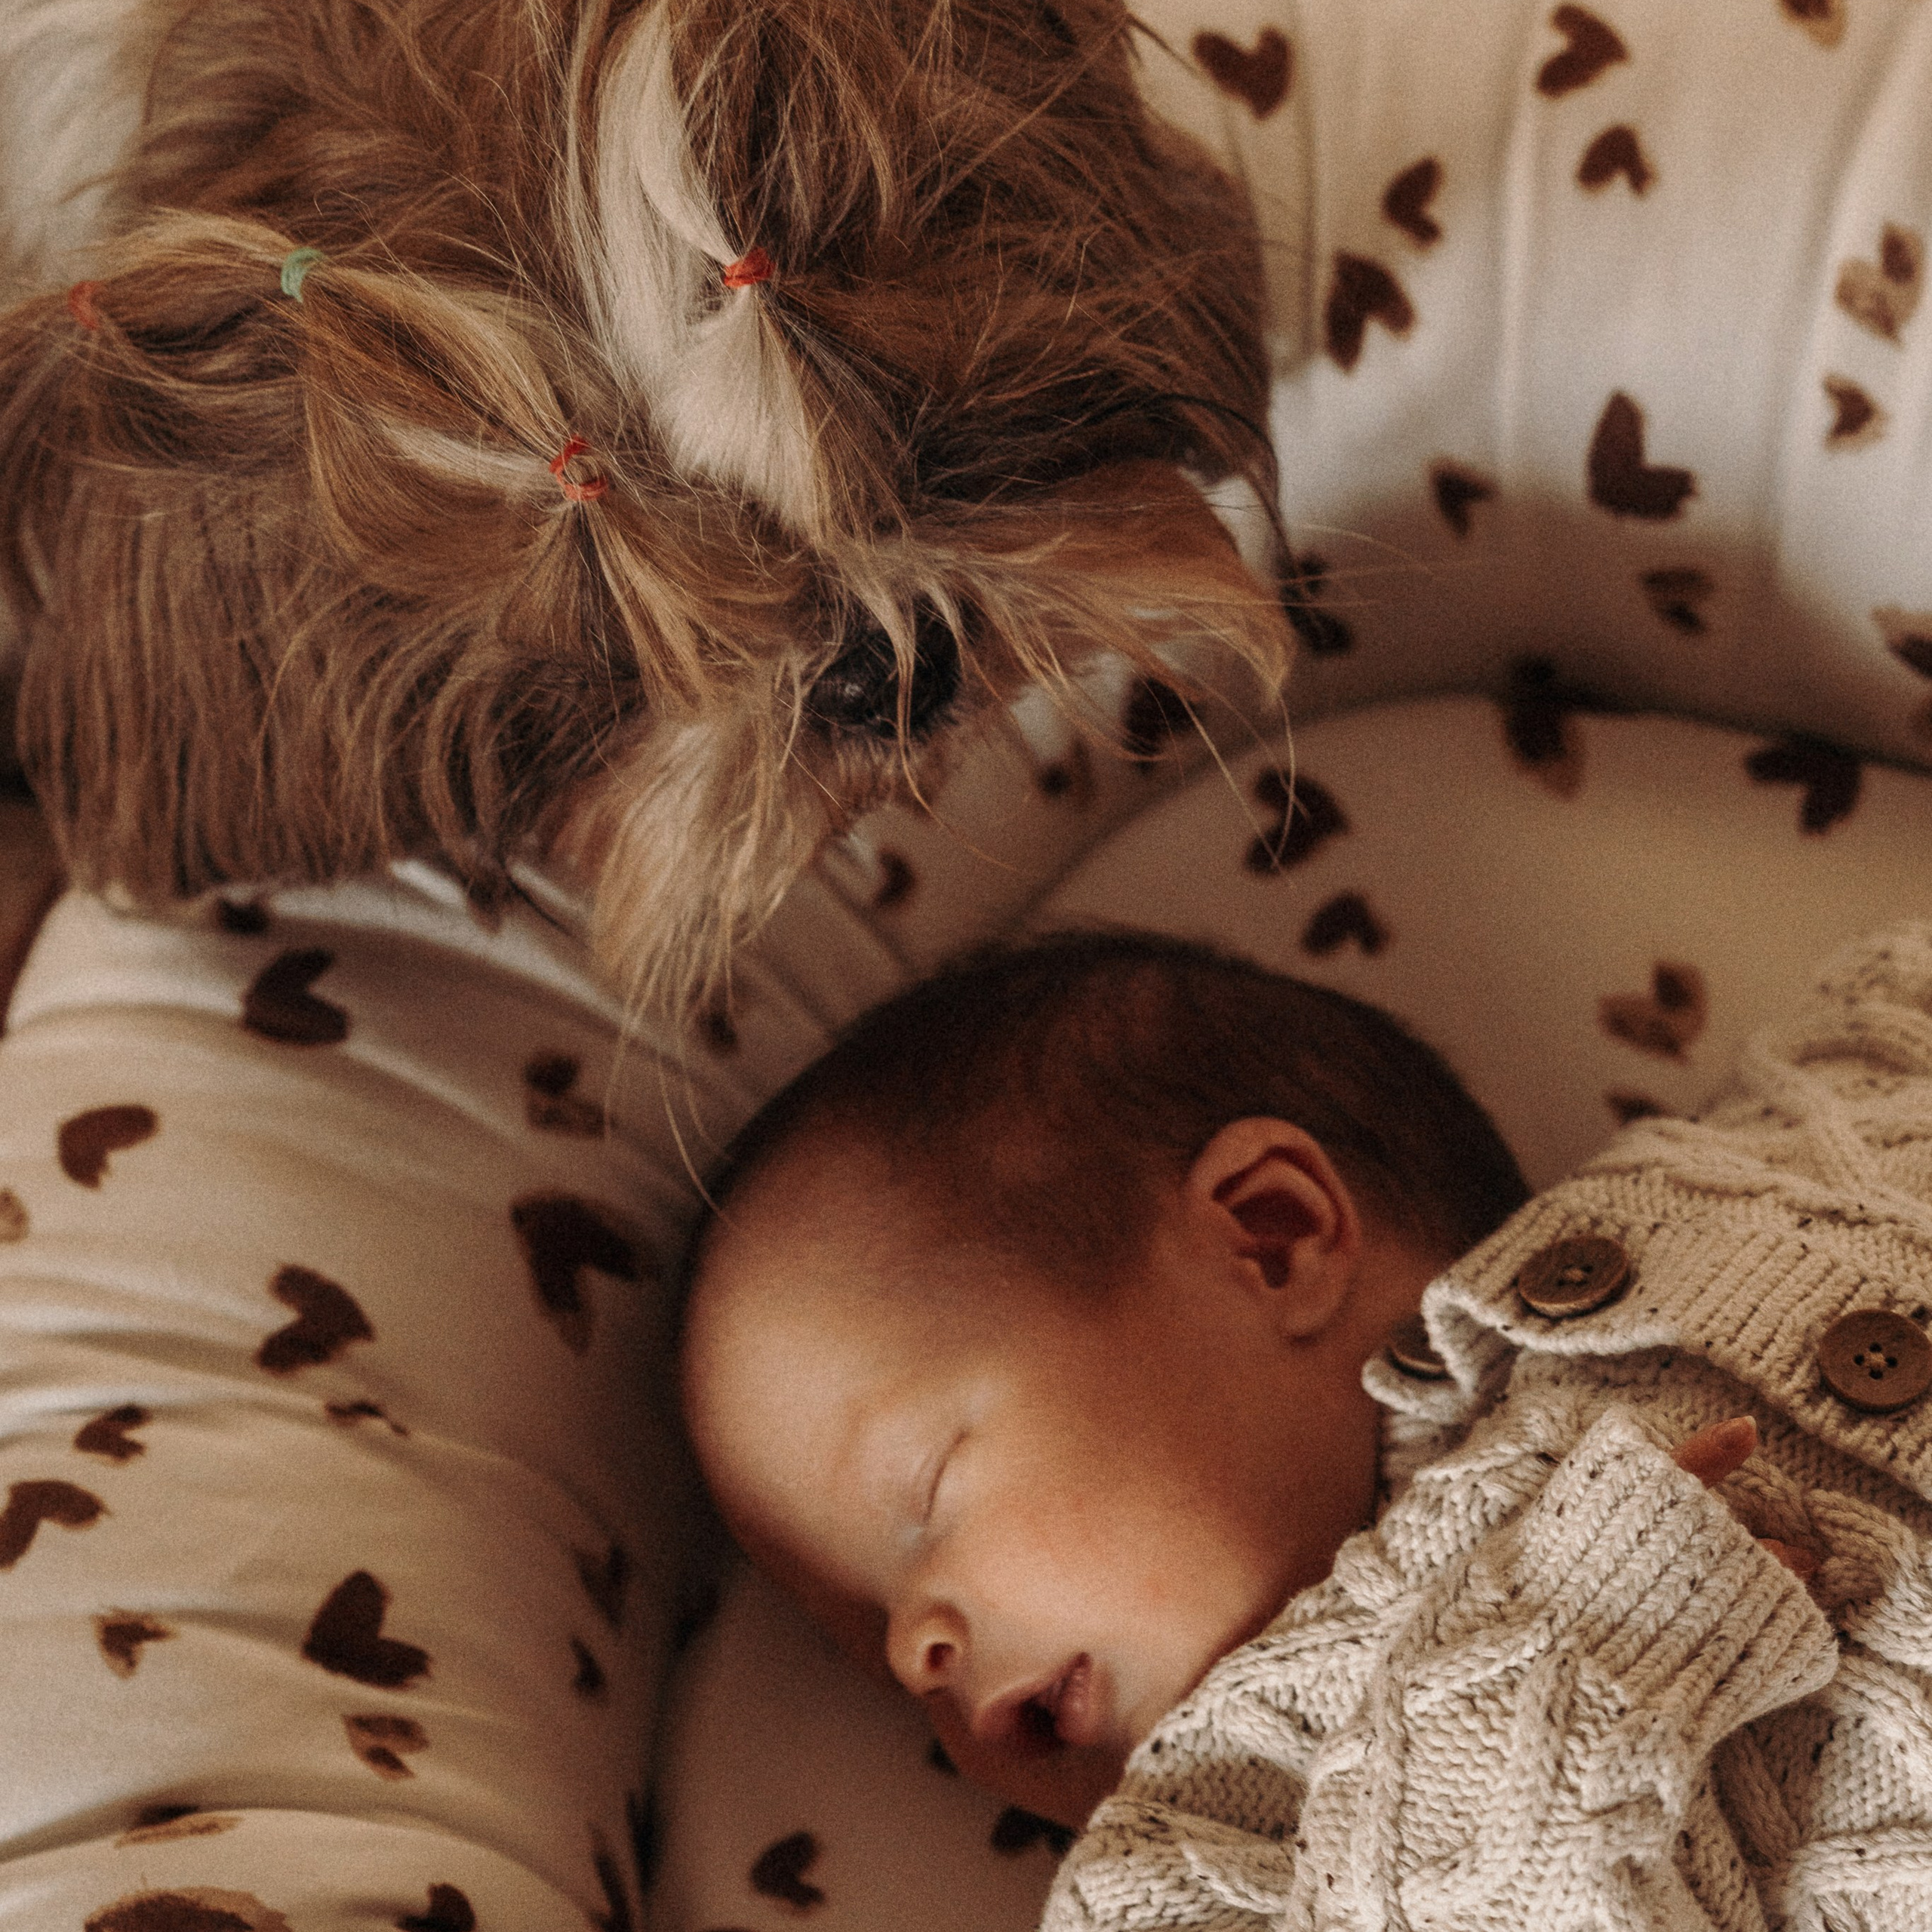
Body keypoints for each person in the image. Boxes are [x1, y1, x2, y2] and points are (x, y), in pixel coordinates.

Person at [679, 926, 1932, 1929]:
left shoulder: (1770, 1151)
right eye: (868, 1649)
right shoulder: (1190, 1866)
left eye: (925, 1495)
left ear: (1272, 1239)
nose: (916, 1659)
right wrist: (1561, 1677)